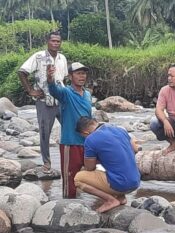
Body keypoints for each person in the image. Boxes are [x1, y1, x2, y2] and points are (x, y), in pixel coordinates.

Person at [18, 31, 68, 173]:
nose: (55, 43)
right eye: (53, 41)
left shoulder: (62, 58)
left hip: (61, 101)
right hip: (44, 101)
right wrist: (30, 91)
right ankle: (46, 163)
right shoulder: (38, 56)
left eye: (58, 41)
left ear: (60, 43)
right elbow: (22, 72)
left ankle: (72, 159)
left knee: (70, 128)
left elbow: (63, 78)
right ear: (47, 41)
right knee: (45, 133)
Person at [74, 116, 141, 213]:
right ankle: (121, 197)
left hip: (121, 184)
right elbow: (135, 149)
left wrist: (97, 158)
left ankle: (111, 200)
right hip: (135, 182)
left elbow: (89, 168)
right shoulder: (119, 130)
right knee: (112, 166)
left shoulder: (90, 139)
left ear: (85, 133)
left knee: (78, 178)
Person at [47, 62, 92, 198]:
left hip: (87, 143)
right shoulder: (66, 92)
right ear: (70, 76)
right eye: (78, 73)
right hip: (70, 143)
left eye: (83, 73)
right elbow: (54, 89)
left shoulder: (87, 95)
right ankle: (67, 205)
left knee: (92, 174)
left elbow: (89, 118)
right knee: (69, 179)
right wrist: (50, 78)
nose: (82, 76)